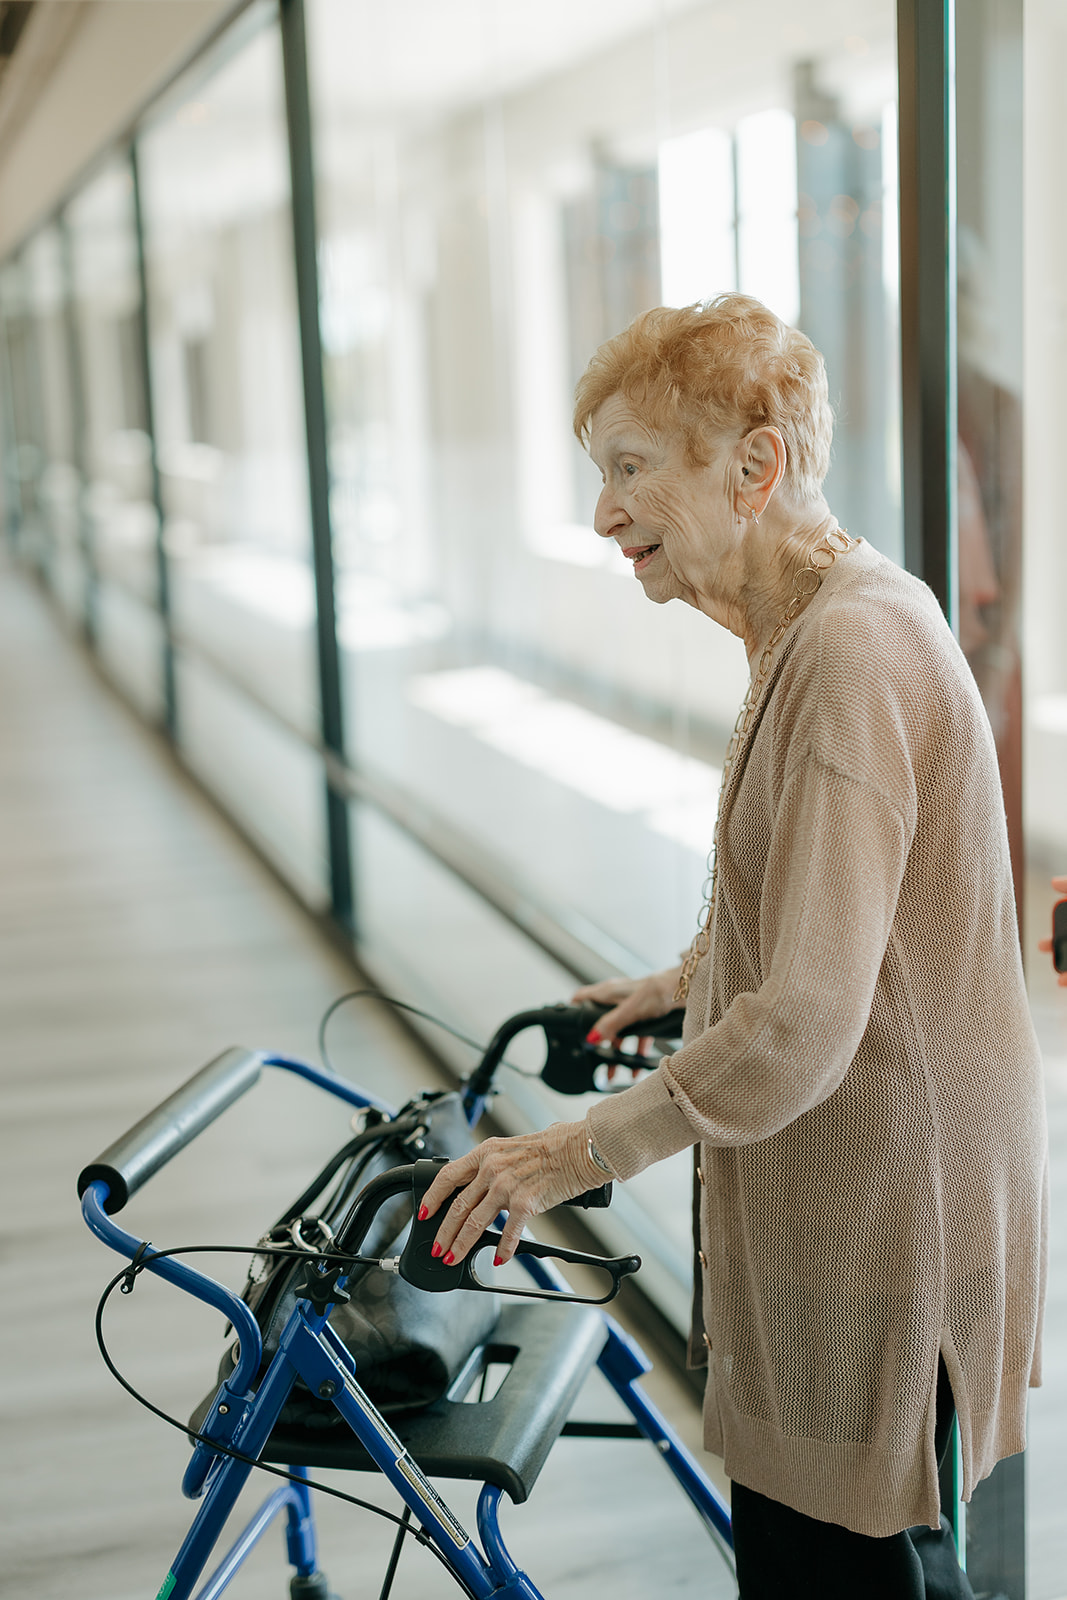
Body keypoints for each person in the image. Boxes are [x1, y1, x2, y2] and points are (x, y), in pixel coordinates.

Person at [420, 295, 1048, 1598]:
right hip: (857, 1206)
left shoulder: (849, 658)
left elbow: (811, 1020)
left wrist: (562, 1157)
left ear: (756, 468)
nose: (605, 516)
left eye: (632, 472)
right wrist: (688, 982)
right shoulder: (813, 626)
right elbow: (842, 915)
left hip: (886, 1228)